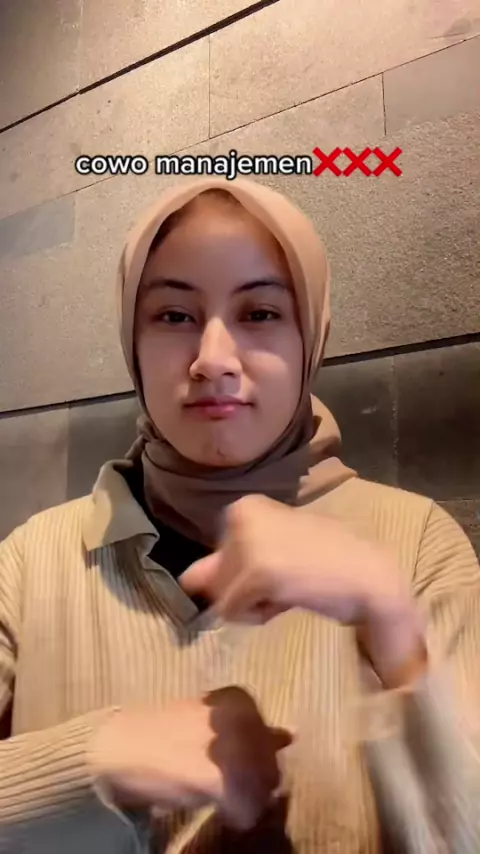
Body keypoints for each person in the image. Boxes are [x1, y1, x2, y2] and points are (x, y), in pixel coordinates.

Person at [0, 176, 479, 854]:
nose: (213, 360)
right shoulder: (31, 561)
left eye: (259, 313)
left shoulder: (419, 544)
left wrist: (393, 629)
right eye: (174, 316)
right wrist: (90, 761)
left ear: (310, 336)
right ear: (131, 340)